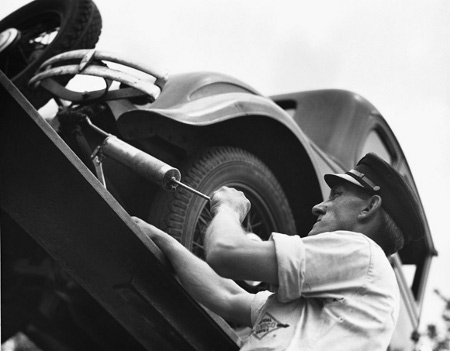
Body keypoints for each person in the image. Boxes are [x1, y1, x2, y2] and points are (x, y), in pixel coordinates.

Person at [132, 152, 425, 350]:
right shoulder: (328, 299)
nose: (318, 206)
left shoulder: (363, 253)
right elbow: (229, 296)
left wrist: (229, 209)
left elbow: (225, 252)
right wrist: (163, 240)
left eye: (336, 196)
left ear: (370, 207)